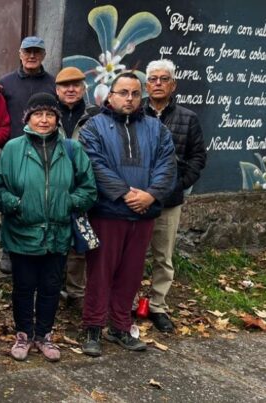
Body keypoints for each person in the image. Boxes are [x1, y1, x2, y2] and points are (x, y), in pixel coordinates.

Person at [0, 93, 97, 363]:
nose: (44, 119)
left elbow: (88, 188)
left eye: (49, 114)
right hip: (22, 231)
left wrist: (68, 202)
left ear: (56, 119)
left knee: (51, 287)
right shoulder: (13, 148)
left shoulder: (71, 149)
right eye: (38, 114)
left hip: (58, 232)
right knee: (24, 287)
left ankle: (44, 335)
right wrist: (16, 204)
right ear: (28, 118)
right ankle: (24, 334)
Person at [78, 72, 176, 357]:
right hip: (108, 212)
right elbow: (94, 163)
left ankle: (120, 326)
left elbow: (167, 164)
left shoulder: (156, 129)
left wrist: (151, 195)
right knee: (100, 272)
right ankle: (93, 326)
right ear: (110, 96)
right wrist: (124, 193)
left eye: (135, 93)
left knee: (131, 274)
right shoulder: (94, 126)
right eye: (123, 92)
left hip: (143, 214)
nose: (129, 98)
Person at [142, 59, 207, 333]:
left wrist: (180, 184)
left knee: (163, 256)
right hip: (137, 198)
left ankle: (157, 305)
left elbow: (198, 157)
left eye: (164, 79)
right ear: (146, 85)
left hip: (169, 200)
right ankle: (128, 302)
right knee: (132, 255)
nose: (158, 83)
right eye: (153, 79)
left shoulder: (188, 118)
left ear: (173, 85)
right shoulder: (135, 113)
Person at [0, 36, 55, 275]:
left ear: (43, 55)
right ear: (20, 54)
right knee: (11, 198)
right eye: (27, 51)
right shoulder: (6, 83)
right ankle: (8, 249)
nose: (32, 56)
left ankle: (42, 244)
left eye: (36, 52)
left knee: (41, 198)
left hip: (45, 150)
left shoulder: (53, 83)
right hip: (14, 150)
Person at [54, 66, 100, 311]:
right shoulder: (48, 115)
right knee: (53, 239)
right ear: (57, 90)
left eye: (76, 85)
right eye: (65, 85)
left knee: (79, 242)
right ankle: (52, 289)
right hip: (54, 186)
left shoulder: (95, 116)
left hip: (84, 186)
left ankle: (75, 292)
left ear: (84, 88)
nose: (70, 89)